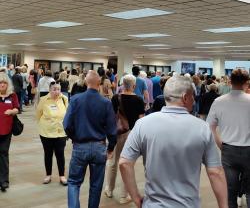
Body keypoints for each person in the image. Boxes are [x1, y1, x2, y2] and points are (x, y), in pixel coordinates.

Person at [119, 75, 228, 208]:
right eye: (192, 96)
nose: (194, 100)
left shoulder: (142, 124)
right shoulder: (202, 128)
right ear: (185, 97)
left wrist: (135, 197)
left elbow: (124, 163)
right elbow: (215, 172)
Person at [63, 70, 117, 208]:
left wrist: (74, 138)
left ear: (86, 82)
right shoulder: (106, 102)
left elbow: (67, 124)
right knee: (96, 185)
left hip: (80, 145)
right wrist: (110, 148)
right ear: (99, 83)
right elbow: (112, 130)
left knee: (74, 182)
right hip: (99, 147)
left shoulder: (75, 99)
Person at [207, 69, 250, 208]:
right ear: (247, 82)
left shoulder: (218, 101)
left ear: (230, 82)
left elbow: (209, 127)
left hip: (228, 150)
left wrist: (220, 144)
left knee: (230, 191)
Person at [104, 74, 145, 204]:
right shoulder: (139, 100)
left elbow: (110, 116)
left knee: (112, 162)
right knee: (127, 164)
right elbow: (141, 120)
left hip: (116, 133)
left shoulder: (116, 98)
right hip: (131, 134)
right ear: (134, 86)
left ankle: (109, 190)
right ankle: (123, 196)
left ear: (122, 85)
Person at [36, 82, 68, 186]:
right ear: (50, 90)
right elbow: (38, 114)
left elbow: (68, 113)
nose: (57, 91)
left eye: (58, 89)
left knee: (60, 154)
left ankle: (62, 176)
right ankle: (48, 175)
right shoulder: (44, 100)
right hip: (46, 132)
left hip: (60, 132)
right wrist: (43, 124)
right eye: (54, 89)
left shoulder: (64, 99)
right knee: (48, 154)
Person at [0, 72, 19, 192]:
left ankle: (4, 181)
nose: (2, 85)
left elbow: (17, 109)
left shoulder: (12, 95)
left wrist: (12, 111)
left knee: (3, 154)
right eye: (0, 83)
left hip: (7, 130)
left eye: (4, 83)